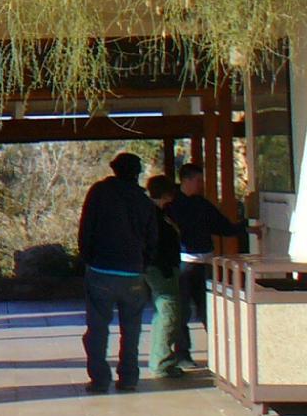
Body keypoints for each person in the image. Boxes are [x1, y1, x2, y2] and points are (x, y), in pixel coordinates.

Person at [166, 161, 258, 367]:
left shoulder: (202, 204)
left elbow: (223, 226)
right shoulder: (172, 206)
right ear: (187, 180)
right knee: (181, 312)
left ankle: (220, 352)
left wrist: (245, 227)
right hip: (183, 263)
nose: (201, 184)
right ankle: (182, 354)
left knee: (209, 309)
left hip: (204, 261)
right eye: (198, 180)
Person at [76, 152, 154, 393]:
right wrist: (142, 264)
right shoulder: (144, 200)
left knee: (97, 328)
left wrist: (88, 258)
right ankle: (128, 377)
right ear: (137, 172)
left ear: (114, 169)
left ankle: (100, 378)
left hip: (101, 269)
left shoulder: (99, 193)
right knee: (131, 329)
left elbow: (86, 227)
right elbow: (152, 238)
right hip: (132, 272)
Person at [144, 175, 188, 378]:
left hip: (163, 267)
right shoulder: (153, 215)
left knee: (164, 313)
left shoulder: (160, 213)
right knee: (169, 312)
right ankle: (161, 361)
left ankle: (161, 357)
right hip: (160, 269)